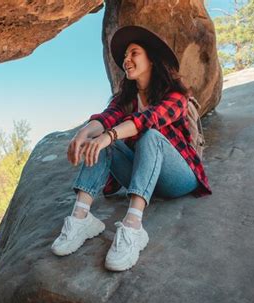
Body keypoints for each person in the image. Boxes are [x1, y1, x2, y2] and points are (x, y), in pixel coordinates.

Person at [51, 25, 212, 271]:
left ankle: (133, 226)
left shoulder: (176, 95)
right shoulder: (125, 98)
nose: (126, 60)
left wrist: (110, 135)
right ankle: (81, 217)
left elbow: (149, 120)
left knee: (149, 136)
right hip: (142, 174)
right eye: (125, 56)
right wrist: (83, 134)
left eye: (134, 53)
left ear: (152, 60)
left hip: (177, 178)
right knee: (101, 142)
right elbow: (106, 118)